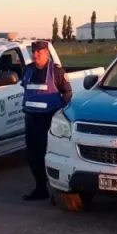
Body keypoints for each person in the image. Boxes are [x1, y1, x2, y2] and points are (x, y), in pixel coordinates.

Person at [21, 40, 72, 201]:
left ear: (47, 53)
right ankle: (40, 189)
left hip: (49, 121)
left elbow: (67, 94)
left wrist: (60, 116)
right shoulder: (28, 70)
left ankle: (56, 192)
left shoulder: (56, 72)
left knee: (50, 156)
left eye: (39, 52)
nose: (35, 55)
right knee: (32, 156)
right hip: (31, 120)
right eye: (33, 52)